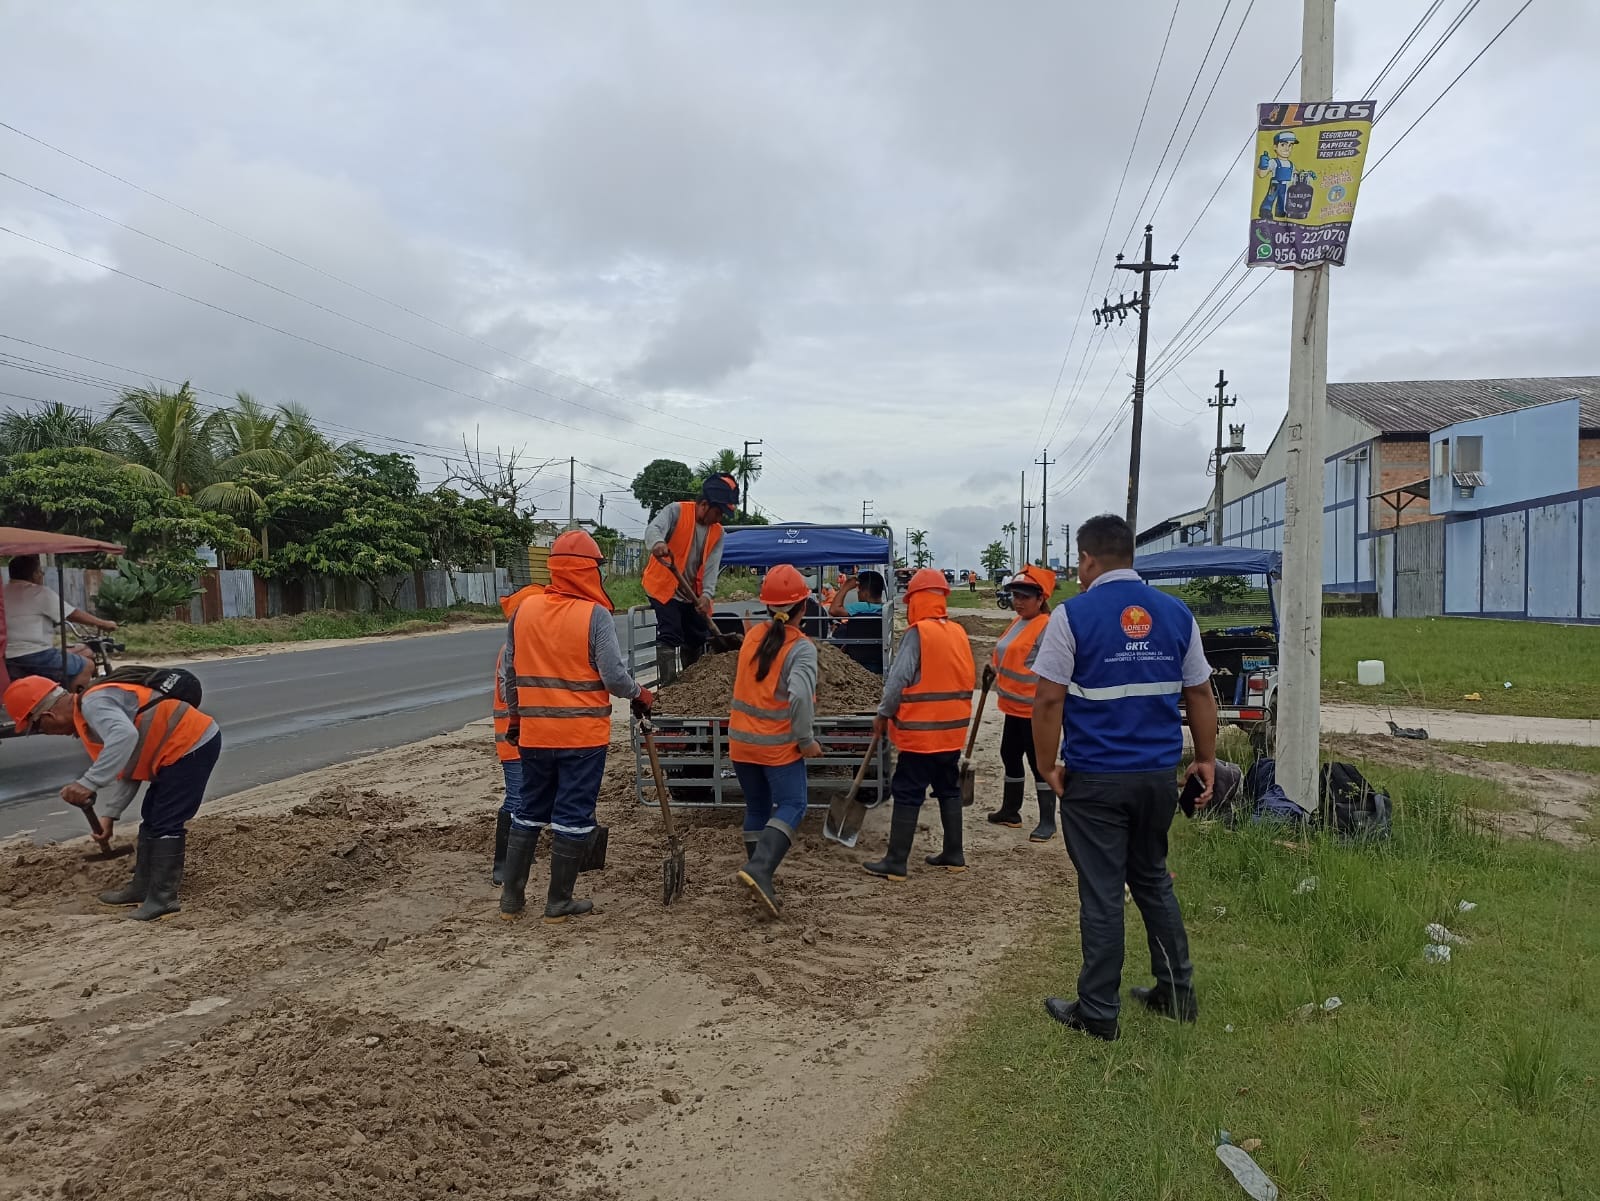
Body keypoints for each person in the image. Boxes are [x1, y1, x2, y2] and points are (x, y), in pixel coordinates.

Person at [1030, 514, 1217, 1041]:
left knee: (1103, 894)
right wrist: (1203, 759)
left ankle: (1098, 1012)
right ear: (1130, 555)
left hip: (1096, 779)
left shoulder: (1072, 616)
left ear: (1088, 560)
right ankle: (1176, 994)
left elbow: (1047, 698)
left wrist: (1047, 766)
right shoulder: (1177, 614)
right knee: (1153, 882)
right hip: (1157, 777)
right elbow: (1200, 694)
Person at [499, 530, 653, 925]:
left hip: (534, 736)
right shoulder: (594, 615)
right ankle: (558, 902)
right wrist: (640, 693)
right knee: (572, 814)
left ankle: (511, 899)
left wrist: (516, 720)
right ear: (588, 570)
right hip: (581, 739)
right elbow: (615, 678)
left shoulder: (524, 611)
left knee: (530, 809)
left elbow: (510, 678)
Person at [3, 672, 221, 921]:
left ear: (48, 715)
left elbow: (124, 737)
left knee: (166, 822)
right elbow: (131, 766)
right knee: (151, 817)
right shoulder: (90, 717)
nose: (47, 732)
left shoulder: (94, 704)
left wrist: (88, 783)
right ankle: (142, 888)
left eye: (39, 727)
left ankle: (163, 899)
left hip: (192, 746)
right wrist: (110, 816)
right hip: (174, 753)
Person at [864, 568, 975, 881]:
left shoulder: (918, 634)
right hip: (951, 734)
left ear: (915, 600)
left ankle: (896, 861)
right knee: (948, 788)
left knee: (908, 790)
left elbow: (898, 680)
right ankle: (955, 853)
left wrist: (883, 713)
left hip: (921, 735)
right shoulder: (958, 633)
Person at [729, 564, 823, 917]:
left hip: (740, 743)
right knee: (794, 805)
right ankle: (761, 869)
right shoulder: (801, 648)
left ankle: (758, 879)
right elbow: (799, 697)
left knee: (757, 808)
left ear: (768, 605)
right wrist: (805, 740)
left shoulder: (753, 636)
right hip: (776, 747)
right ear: (804, 606)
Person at [984, 564, 1059, 841]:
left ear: (1041, 599)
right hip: (1014, 707)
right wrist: (993, 666)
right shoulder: (1019, 621)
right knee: (1009, 755)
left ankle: (1048, 821)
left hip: (1035, 710)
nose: (1017, 602)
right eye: (1015, 596)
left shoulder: (1047, 626)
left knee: (1040, 763)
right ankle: (1011, 811)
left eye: (1024, 597)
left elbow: (1052, 668)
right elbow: (1008, 653)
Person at [643, 474, 739, 685]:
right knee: (671, 631)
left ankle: (692, 686)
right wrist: (658, 542)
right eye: (718, 512)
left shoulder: (718, 532)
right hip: (663, 586)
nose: (719, 518)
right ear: (704, 504)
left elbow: (712, 568)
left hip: (691, 592)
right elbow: (653, 529)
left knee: (696, 635)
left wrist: (706, 595)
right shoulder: (676, 511)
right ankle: (669, 686)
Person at [490, 583, 544, 886]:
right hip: (513, 741)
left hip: (528, 738)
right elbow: (508, 691)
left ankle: (521, 853)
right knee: (516, 799)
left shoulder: (527, 647)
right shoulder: (511, 651)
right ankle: (502, 865)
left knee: (528, 798)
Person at [3, 555, 119, 692]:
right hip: (36, 655)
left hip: (7, 656)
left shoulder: (2, 592)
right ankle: (70, 705)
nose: (42, 575)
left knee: (79, 651)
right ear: (34, 574)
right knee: (87, 665)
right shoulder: (39, 592)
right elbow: (72, 614)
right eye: (40, 572)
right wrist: (103, 623)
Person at [828, 569, 887, 674]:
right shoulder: (885, 609)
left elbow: (833, 610)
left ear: (865, 593)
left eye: (859, 590)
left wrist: (845, 588)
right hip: (879, 660)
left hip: (856, 660)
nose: (858, 593)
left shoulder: (860, 607)